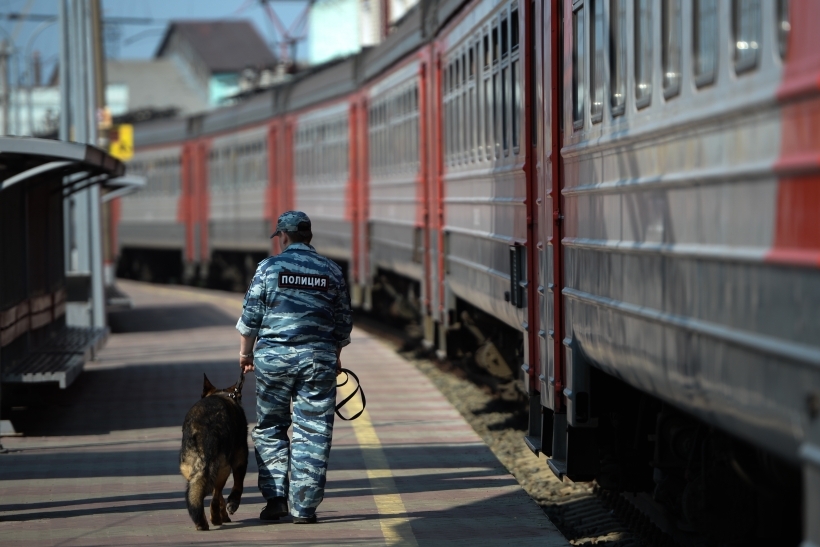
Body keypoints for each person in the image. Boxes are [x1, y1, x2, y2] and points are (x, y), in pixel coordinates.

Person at [236, 210, 352, 524]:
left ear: (283, 237)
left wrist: (246, 355)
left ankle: (276, 500)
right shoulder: (332, 270)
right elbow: (342, 325)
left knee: (271, 427)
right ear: (309, 236)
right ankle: (304, 508)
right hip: (318, 360)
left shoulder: (268, 268)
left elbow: (250, 320)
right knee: (313, 430)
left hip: (274, 360)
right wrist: (335, 354)